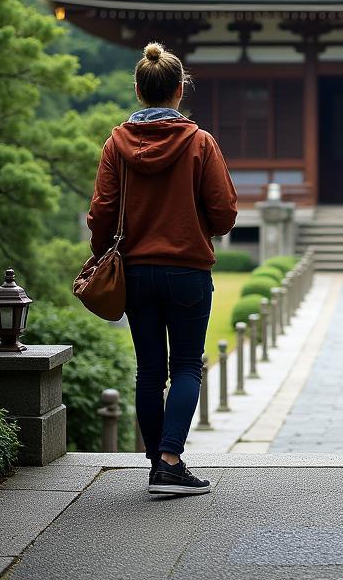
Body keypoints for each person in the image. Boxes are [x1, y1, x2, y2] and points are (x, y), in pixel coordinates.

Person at [87, 42, 237, 496]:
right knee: (187, 364)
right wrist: (196, 225)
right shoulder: (199, 142)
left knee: (150, 370)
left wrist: (102, 256)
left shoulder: (116, 144)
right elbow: (225, 213)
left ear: (138, 90)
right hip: (188, 269)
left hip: (134, 271)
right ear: (179, 90)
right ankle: (170, 462)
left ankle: (158, 464)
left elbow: (101, 212)